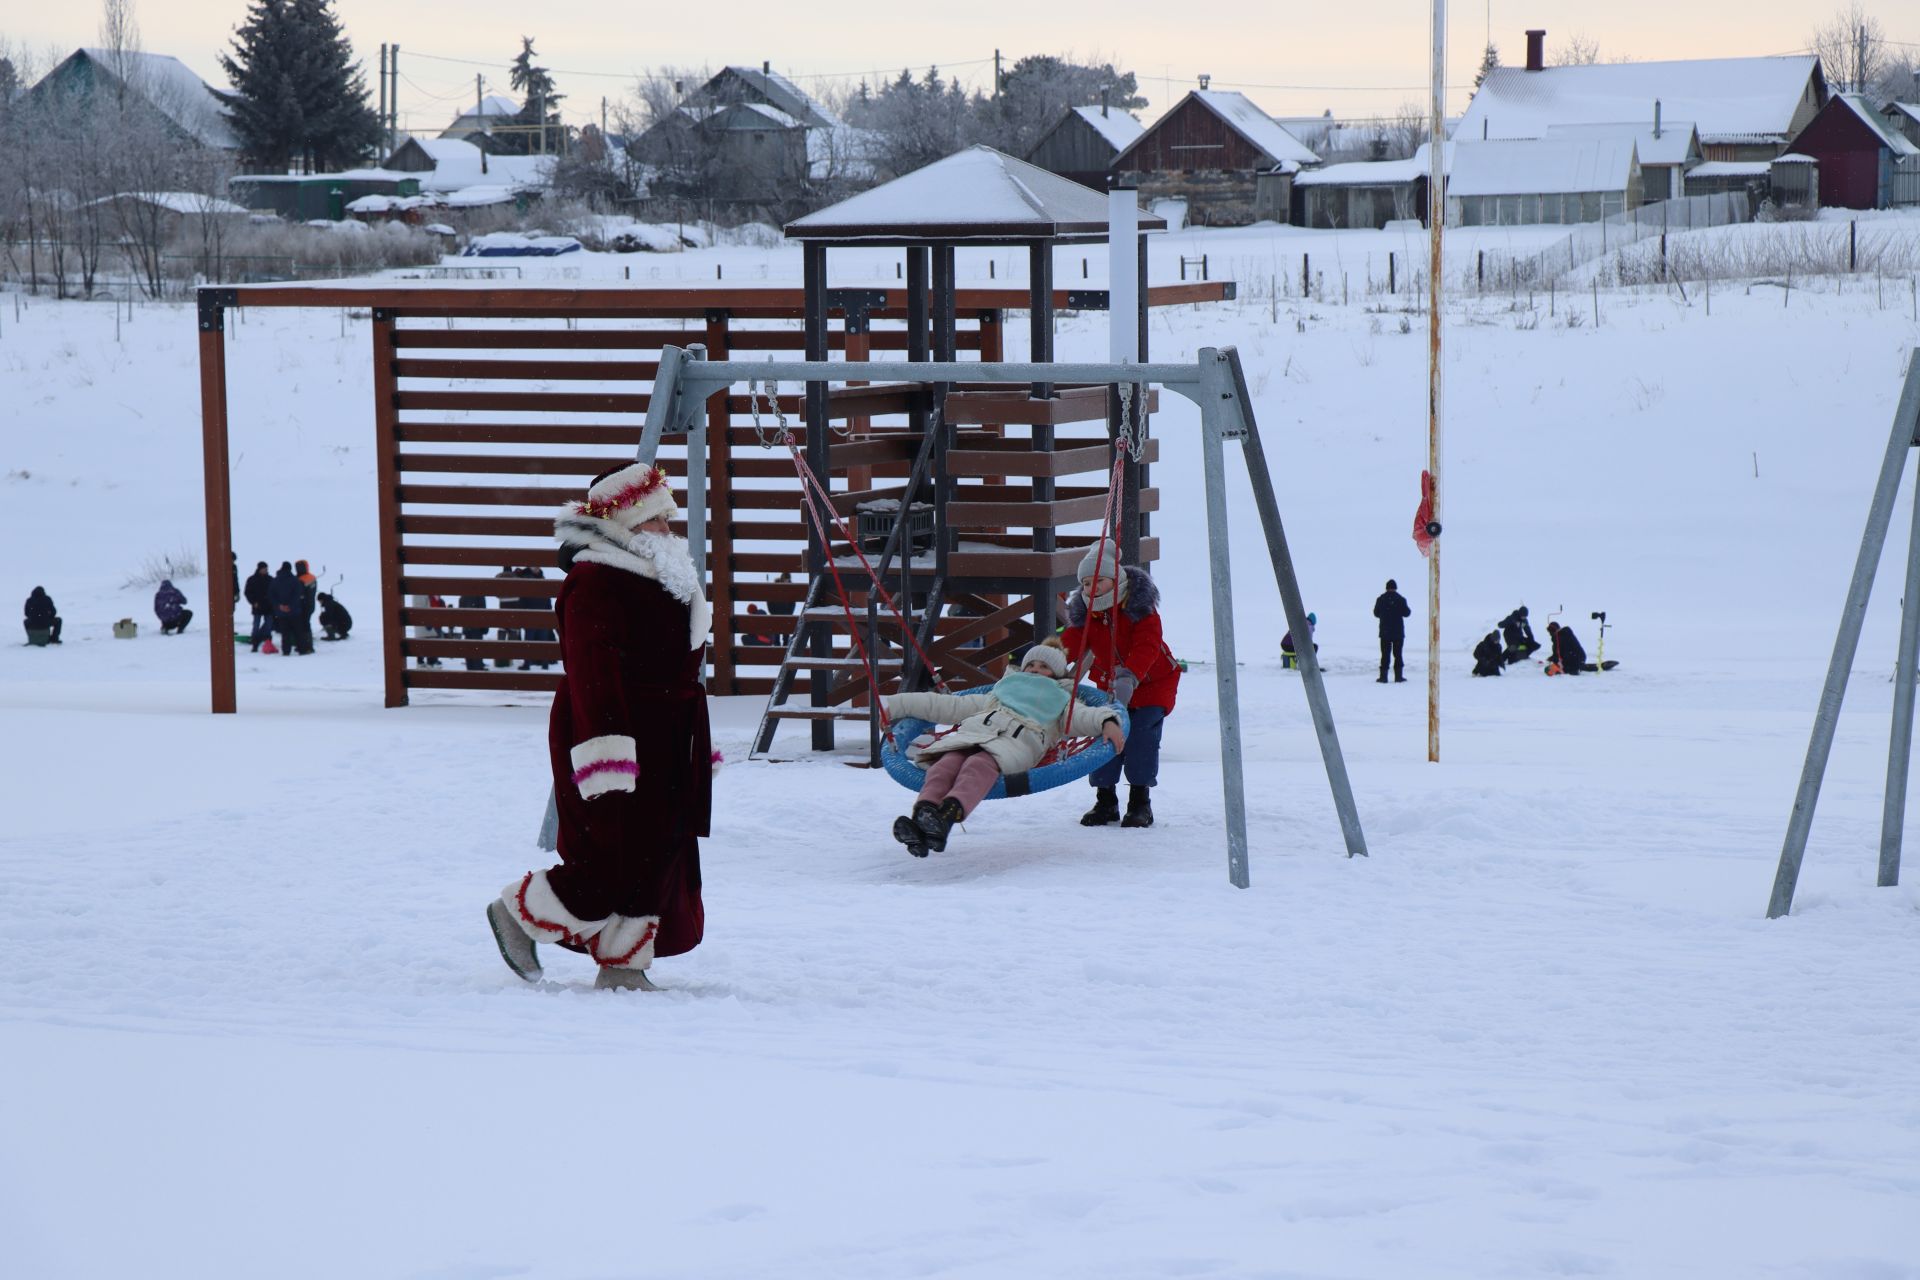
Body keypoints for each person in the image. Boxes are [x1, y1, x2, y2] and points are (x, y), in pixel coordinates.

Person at [485, 462, 713, 992]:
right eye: (657, 520)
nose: (667, 531)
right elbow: (592, 669)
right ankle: (517, 913)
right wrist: (607, 751)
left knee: (657, 850)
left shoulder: (664, 576)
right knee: (606, 851)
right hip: (612, 729)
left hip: (667, 733)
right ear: (629, 522)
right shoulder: (595, 579)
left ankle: (623, 964)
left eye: (667, 520)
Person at [883, 640, 1126, 857]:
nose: (1036, 670)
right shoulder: (997, 694)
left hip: (1017, 743)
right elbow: (947, 705)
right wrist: (895, 704)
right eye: (1032, 665)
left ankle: (948, 815)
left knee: (977, 766)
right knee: (943, 765)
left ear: (1057, 674)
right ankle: (924, 816)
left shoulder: (1063, 701)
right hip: (973, 734)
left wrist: (1107, 721)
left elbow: (1083, 717)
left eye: (1044, 667)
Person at [1061, 536, 1181, 829]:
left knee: (1140, 738)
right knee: (1105, 737)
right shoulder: (1087, 614)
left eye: (1097, 581)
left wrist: (1130, 674)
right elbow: (1070, 643)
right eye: (1086, 583)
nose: (1091, 588)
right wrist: (1047, 662)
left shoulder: (1141, 610)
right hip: (1110, 686)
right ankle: (1106, 801)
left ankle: (1140, 802)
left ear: (1115, 580)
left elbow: (1147, 647)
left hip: (1153, 683)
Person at [514, 566, 555, 671]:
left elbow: (548, 598)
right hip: (532, 616)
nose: (536, 568)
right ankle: (528, 663)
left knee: (541, 642)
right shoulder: (529, 580)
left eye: (537, 567)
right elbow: (523, 598)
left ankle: (543, 663)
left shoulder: (541, 579)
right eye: (534, 567)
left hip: (541, 616)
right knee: (530, 642)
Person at [1374, 578, 1411, 683]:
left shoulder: (1381, 599)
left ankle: (1383, 677)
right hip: (1398, 632)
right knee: (1398, 654)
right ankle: (1398, 677)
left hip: (1385, 632)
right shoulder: (1400, 599)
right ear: (1395, 588)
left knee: (1385, 655)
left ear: (1386, 588)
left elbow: (1376, 613)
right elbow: (1407, 613)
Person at [270, 563, 301, 656]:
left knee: (285, 633)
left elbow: (271, 595)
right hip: (294, 611)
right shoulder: (295, 580)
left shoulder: (275, 581)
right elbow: (297, 595)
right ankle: (301, 648)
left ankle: (286, 650)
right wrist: (290, 606)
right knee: (297, 631)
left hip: (281, 612)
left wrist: (280, 605)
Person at [243, 561, 273, 652]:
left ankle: (268, 643)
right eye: (264, 569)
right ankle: (255, 643)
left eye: (266, 569)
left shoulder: (270, 579)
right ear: (259, 569)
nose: (265, 570)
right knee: (256, 625)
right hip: (257, 606)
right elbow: (247, 592)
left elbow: (275, 592)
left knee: (268, 625)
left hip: (269, 607)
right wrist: (253, 602)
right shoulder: (252, 579)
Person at [290, 560, 318, 655]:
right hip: (308, 605)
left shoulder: (303, 579)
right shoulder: (309, 577)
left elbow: (299, 592)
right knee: (304, 625)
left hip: (304, 606)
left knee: (304, 626)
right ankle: (305, 645)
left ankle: (307, 646)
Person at [458, 591, 489, 671]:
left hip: (467, 627)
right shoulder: (480, 595)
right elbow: (483, 611)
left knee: (469, 649)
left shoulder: (463, 596)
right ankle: (478, 669)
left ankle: (470, 669)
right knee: (477, 648)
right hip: (477, 627)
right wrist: (485, 627)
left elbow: (460, 612)